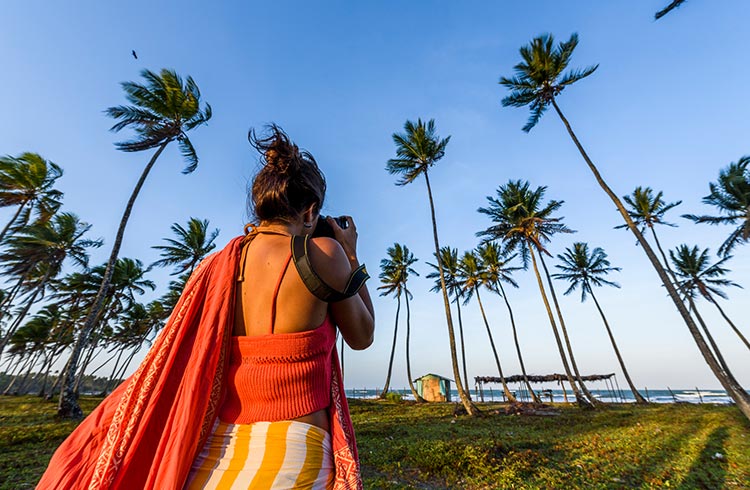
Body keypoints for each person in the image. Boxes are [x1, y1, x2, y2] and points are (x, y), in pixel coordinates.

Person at [37, 125, 374, 490]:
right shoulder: (322, 254)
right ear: (310, 213)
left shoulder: (217, 265)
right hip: (295, 443)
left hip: (218, 444)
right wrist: (351, 253)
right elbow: (362, 335)